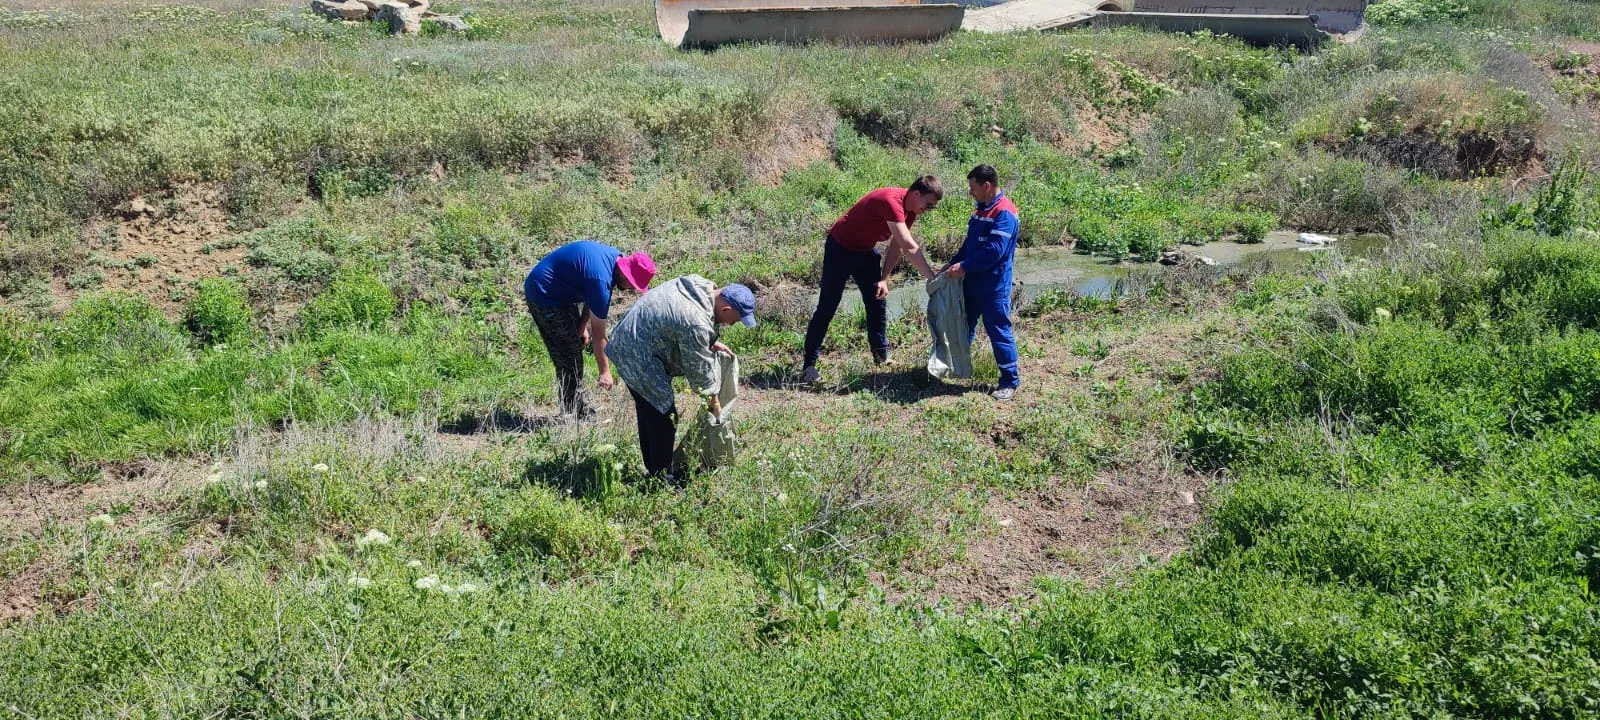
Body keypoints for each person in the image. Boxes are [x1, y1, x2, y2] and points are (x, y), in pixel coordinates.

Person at [605, 277, 757, 480]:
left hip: (632, 340)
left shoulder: (701, 285)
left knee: (652, 411)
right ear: (727, 309)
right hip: (635, 355)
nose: (731, 324)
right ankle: (661, 479)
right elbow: (699, 371)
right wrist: (713, 400)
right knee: (665, 418)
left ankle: (655, 471)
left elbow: (682, 329)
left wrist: (710, 342)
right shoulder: (695, 322)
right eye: (735, 320)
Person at [799, 176, 943, 384]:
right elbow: (910, 245)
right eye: (928, 205)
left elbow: (897, 246)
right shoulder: (891, 201)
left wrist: (884, 279)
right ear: (916, 194)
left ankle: (880, 356)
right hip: (840, 248)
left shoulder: (910, 210)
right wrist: (933, 278)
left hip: (864, 252)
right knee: (827, 307)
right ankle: (809, 366)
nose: (927, 210)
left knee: (877, 300)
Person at [523, 240, 656, 419]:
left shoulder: (613, 261)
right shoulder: (601, 280)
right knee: (568, 354)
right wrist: (605, 372)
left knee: (575, 343)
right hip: (543, 293)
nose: (632, 289)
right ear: (626, 275)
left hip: (561, 294)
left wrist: (581, 326)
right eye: (633, 284)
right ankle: (572, 410)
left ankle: (574, 404)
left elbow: (590, 298)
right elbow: (599, 334)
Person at [943, 165, 1021, 400]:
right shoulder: (981, 209)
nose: (971, 193)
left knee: (998, 329)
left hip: (993, 286)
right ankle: (959, 368)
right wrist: (953, 263)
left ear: (987, 186)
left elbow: (994, 251)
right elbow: (970, 244)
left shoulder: (1004, 213)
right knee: (963, 325)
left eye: (973, 188)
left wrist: (964, 267)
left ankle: (1009, 381)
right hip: (972, 283)